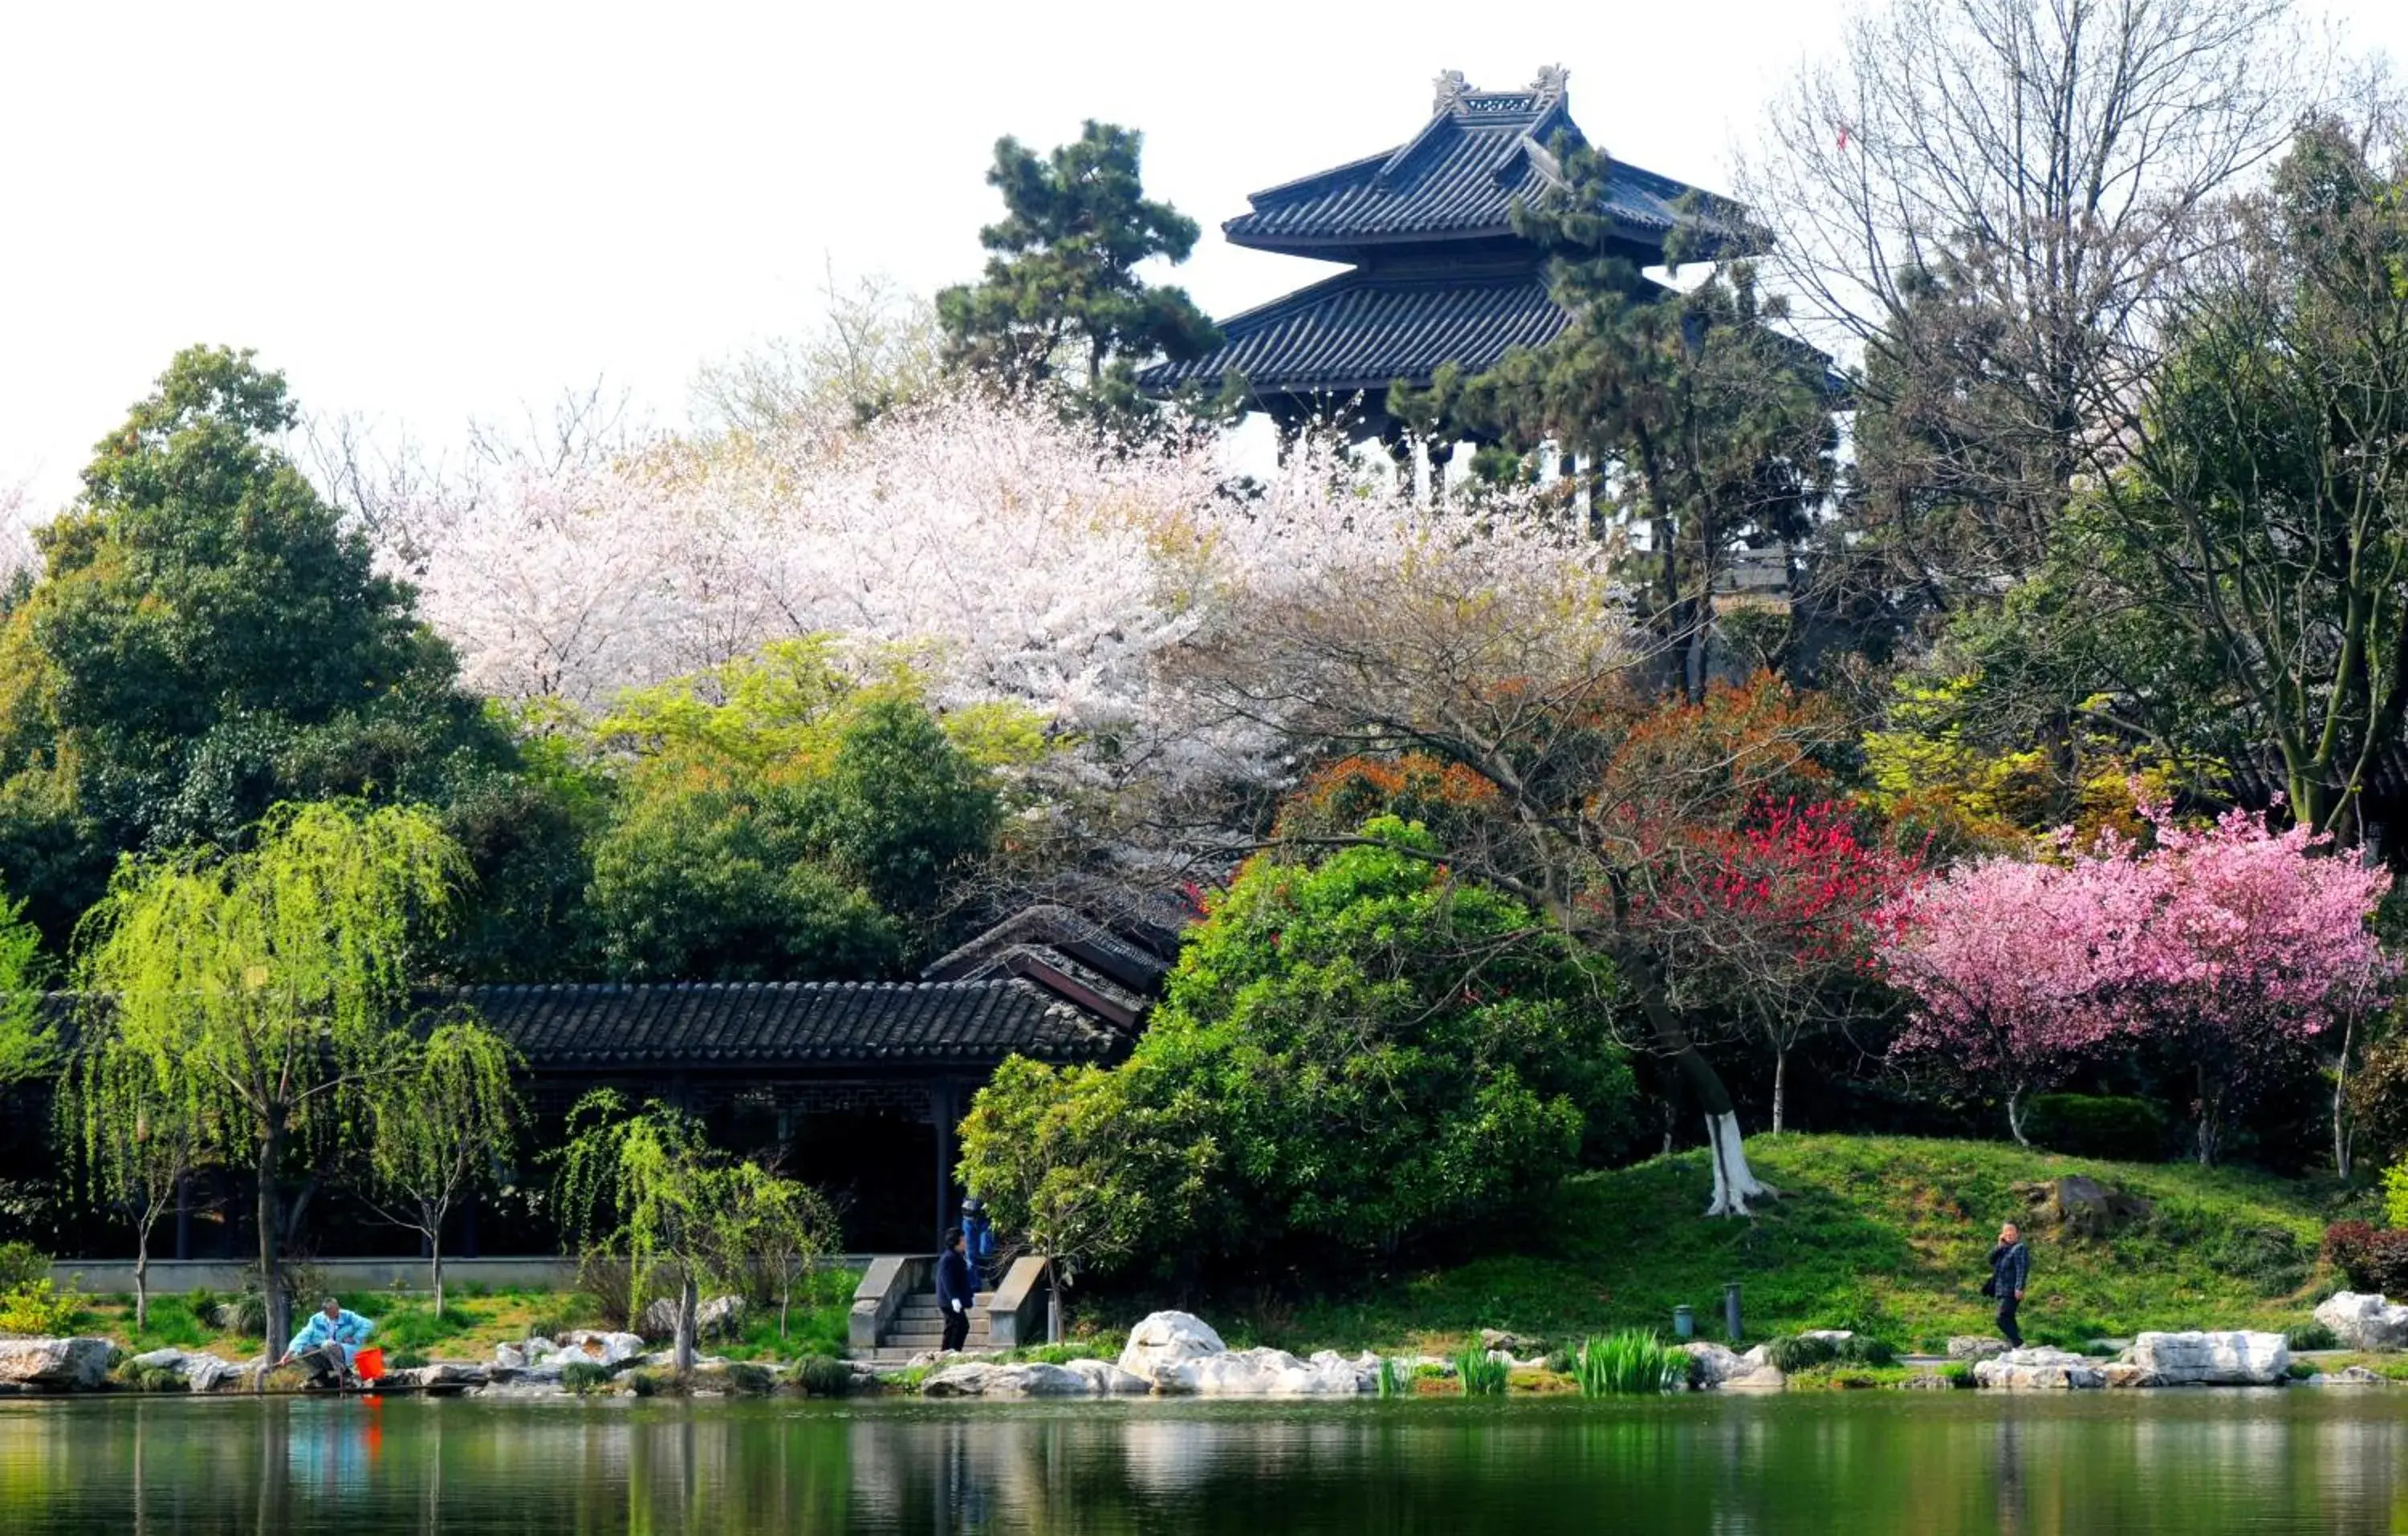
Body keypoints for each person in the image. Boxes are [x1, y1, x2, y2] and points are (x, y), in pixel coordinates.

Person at [279, 1298, 376, 1387]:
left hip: (344, 1351)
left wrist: (356, 1338)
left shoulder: (348, 1316)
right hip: (326, 1353)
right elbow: (302, 1337)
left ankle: (345, 1373)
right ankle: (320, 1373)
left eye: (337, 1309)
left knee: (328, 1344)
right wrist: (287, 1355)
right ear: (325, 1312)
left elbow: (368, 1324)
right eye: (333, 1311)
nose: (337, 1313)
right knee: (303, 1349)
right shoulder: (316, 1320)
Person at [1986, 1222, 2031, 1348]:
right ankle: (2016, 1346)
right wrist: (1999, 1246)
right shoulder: (2004, 1249)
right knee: (2009, 1318)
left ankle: (2019, 1344)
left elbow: (2022, 1269)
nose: (2009, 1233)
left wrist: (2019, 1288)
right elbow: (1990, 1260)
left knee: (2001, 1318)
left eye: (2011, 1230)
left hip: (2011, 1290)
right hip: (2001, 1290)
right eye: (2006, 1231)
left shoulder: (2019, 1248)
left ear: (2017, 1234)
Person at [936, 1226, 976, 1352]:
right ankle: (949, 1352)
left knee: (957, 1326)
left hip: (955, 1299)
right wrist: (953, 1298)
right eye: (962, 1240)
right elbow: (946, 1280)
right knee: (958, 1326)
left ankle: (950, 1352)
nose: (965, 1243)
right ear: (956, 1242)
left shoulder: (957, 1256)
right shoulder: (948, 1258)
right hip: (949, 1301)